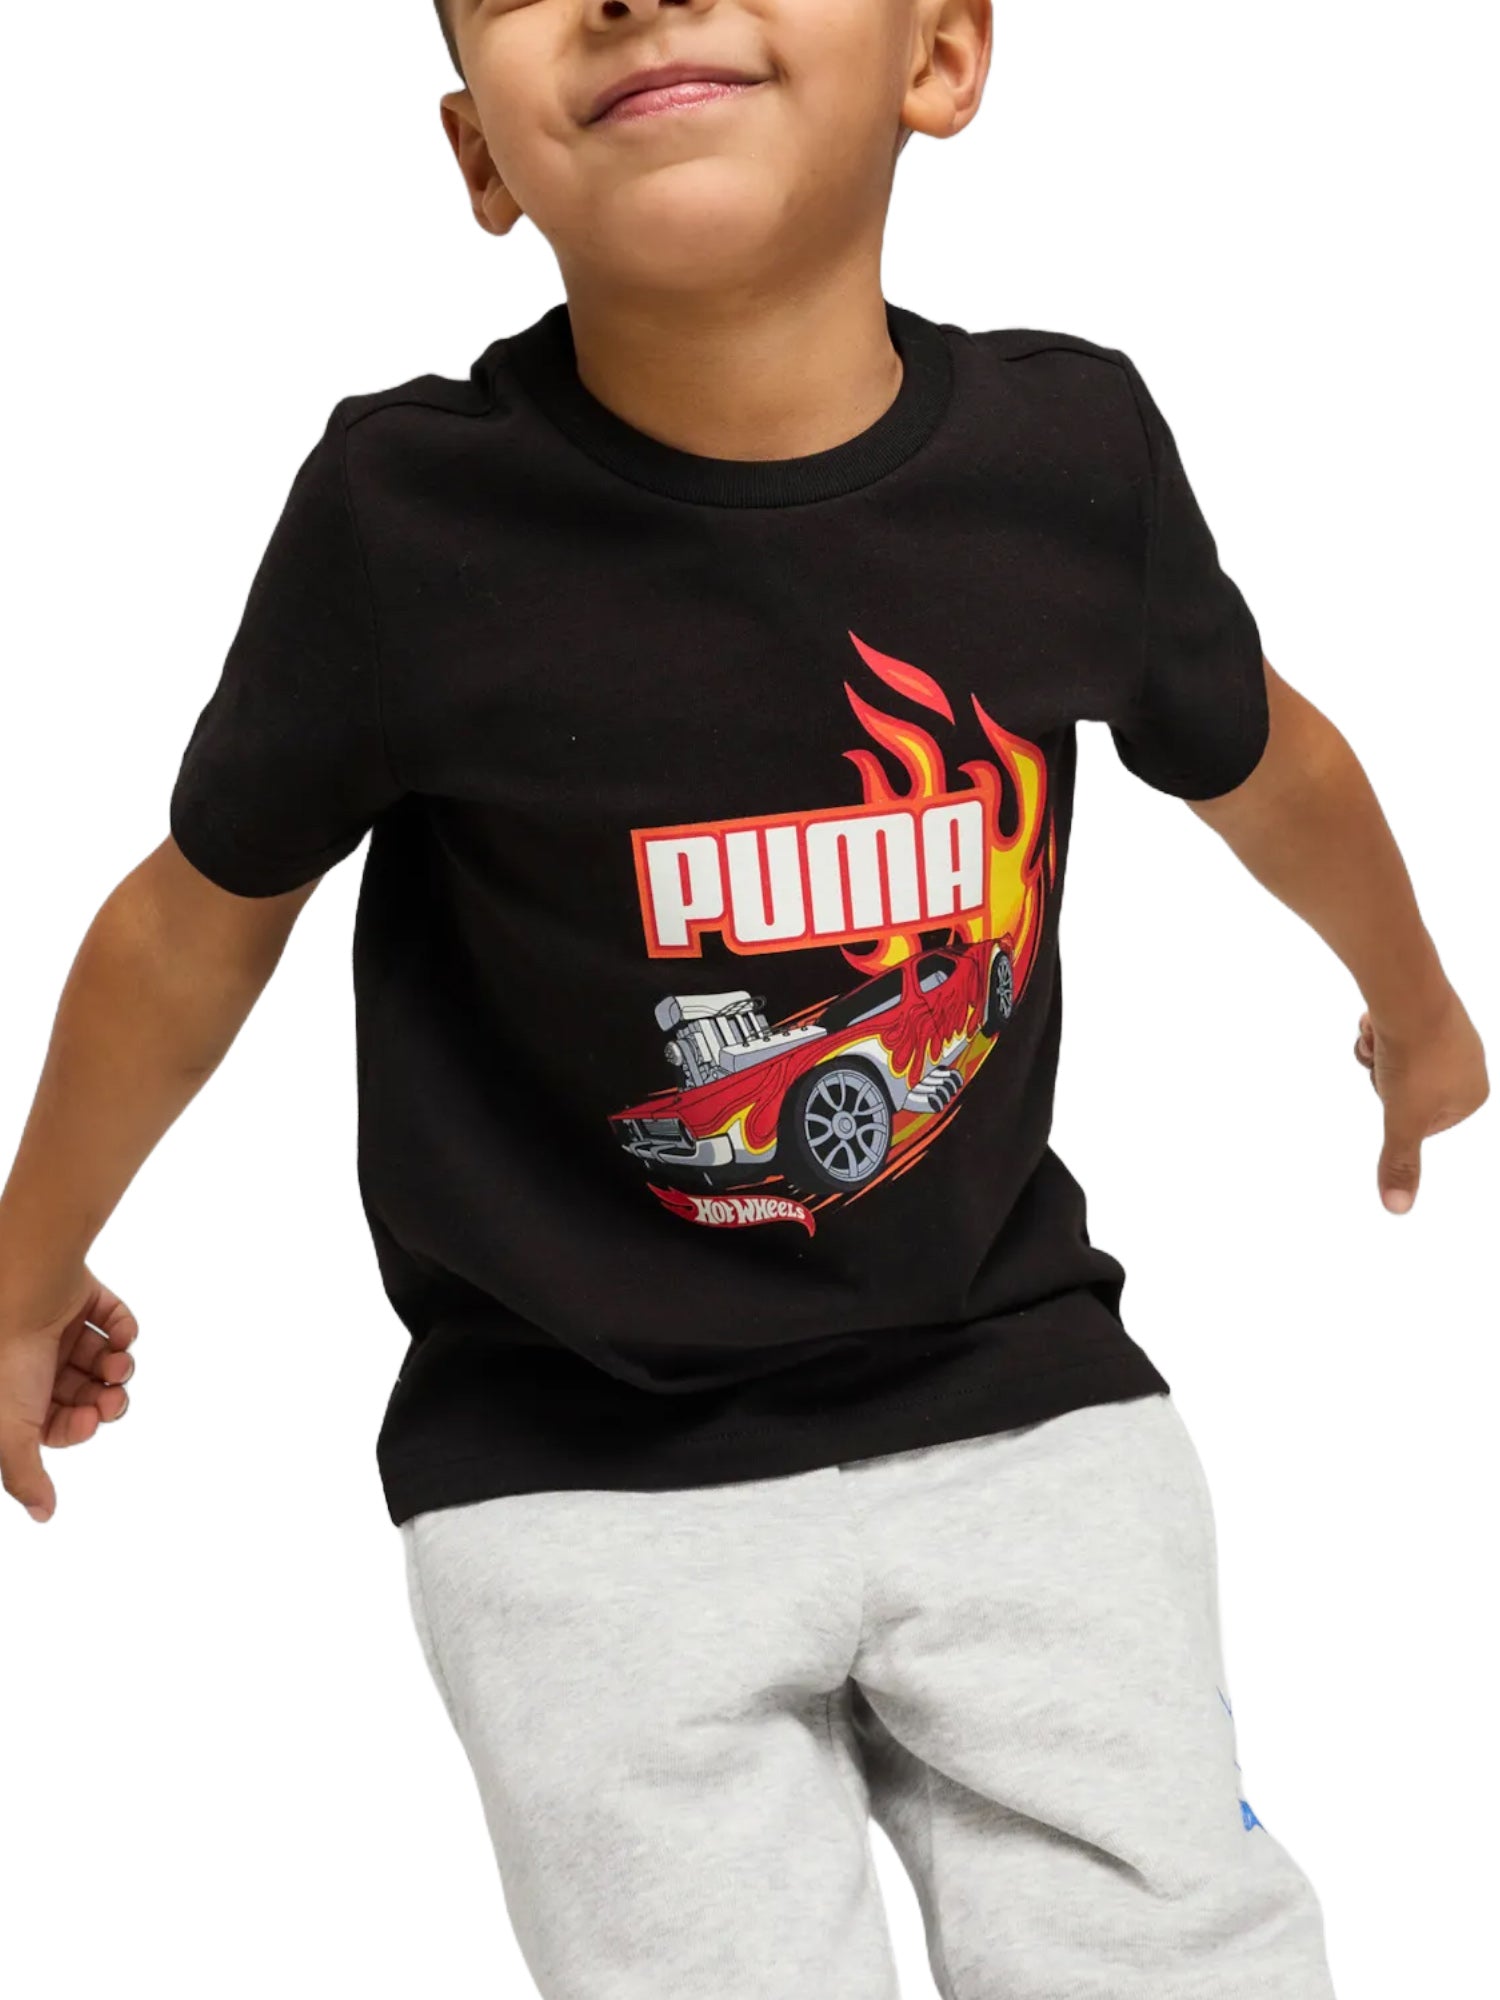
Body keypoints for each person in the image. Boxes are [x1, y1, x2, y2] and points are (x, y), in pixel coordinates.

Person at [0, 2, 1488, 1994]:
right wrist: (22, 1270)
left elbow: (1264, 756)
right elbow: (197, 920)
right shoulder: (403, 522)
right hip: (573, 1469)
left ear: (940, 59)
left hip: (1019, 1398)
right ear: (480, 157)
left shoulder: (1068, 458)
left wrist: (1417, 1007)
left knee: (1181, 1953)